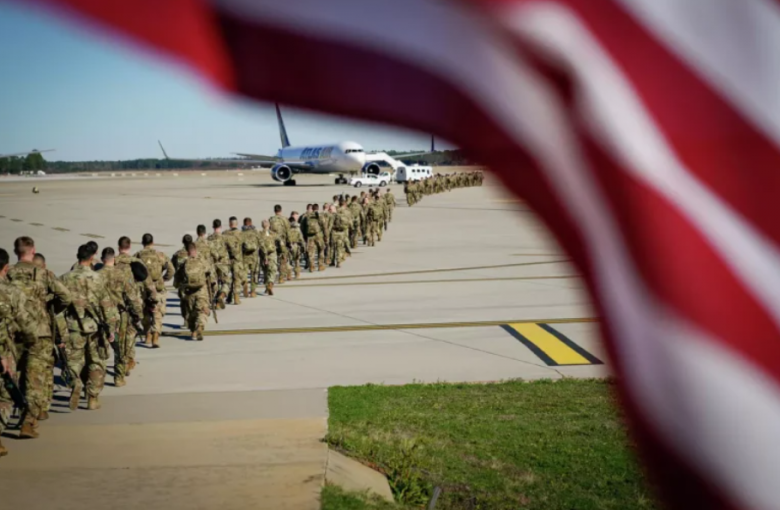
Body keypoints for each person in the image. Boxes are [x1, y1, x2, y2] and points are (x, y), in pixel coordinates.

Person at [6, 236, 71, 438]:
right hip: (39, 332)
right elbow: (66, 296)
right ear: (33, 251)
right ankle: (28, 422)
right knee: (35, 379)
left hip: (12, 332)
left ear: (16, 252)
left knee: (11, 375)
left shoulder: (7, 273)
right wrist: (49, 310)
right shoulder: (44, 273)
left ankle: (8, 415)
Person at [60, 244, 119, 411]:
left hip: (73, 327)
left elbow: (57, 307)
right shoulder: (97, 278)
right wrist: (111, 329)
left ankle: (75, 383)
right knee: (96, 362)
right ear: (92, 257)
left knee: (74, 361)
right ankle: (92, 398)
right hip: (95, 328)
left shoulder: (64, 278)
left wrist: (60, 331)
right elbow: (106, 306)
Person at [0, 248, 38, 456]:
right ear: (5, 268)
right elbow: (25, 323)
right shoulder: (12, 292)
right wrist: (32, 341)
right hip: (4, 351)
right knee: (6, 394)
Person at [98, 247, 144, 387]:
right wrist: (138, 315)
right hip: (119, 316)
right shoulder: (122, 275)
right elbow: (132, 297)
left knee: (100, 347)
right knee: (120, 348)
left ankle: (97, 377)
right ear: (114, 259)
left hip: (99, 316)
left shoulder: (96, 276)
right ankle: (118, 378)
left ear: (102, 259)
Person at [115, 237, 158, 353]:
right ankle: (128, 358)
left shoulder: (112, 262)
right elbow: (149, 284)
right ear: (129, 247)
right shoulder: (136, 262)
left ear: (118, 247)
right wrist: (153, 301)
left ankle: (120, 357)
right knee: (130, 333)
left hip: (113, 305)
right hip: (132, 304)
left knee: (116, 334)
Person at [134, 234, 174, 347]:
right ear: (152, 242)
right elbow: (171, 269)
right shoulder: (160, 255)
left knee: (144, 311)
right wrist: (164, 279)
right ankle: (155, 336)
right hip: (157, 287)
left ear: (142, 243)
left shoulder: (138, 256)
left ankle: (148, 334)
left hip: (143, 287)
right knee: (158, 311)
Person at [174, 241, 210, 341]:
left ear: (187, 251)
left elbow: (177, 279)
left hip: (188, 292)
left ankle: (193, 331)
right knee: (201, 311)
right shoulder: (202, 261)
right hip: (201, 290)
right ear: (195, 250)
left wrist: (178, 287)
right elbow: (209, 273)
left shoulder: (183, 263)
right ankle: (199, 327)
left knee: (191, 313)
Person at [207, 219, 232, 309]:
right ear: (220, 227)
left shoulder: (209, 238)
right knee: (226, 282)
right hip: (223, 263)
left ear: (213, 227)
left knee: (215, 283)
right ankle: (222, 295)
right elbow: (232, 248)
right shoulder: (225, 238)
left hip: (213, 264)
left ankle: (215, 301)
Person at [221, 217, 244, 305]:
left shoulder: (224, 233)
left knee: (228, 279)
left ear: (229, 224)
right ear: (236, 224)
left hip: (226, 259)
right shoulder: (240, 234)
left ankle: (227, 296)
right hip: (237, 259)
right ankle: (236, 297)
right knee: (237, 278)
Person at [269, 205, 292, 283]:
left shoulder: (271, 220)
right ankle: (281, 277)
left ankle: (272, 276)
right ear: (281, 210)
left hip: (273, 242)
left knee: (274, 259)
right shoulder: (285, 219)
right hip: (282, 242)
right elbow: (288, 231)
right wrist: (289, 242)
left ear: (274, 210)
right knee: (283, 259)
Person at [240, 218, 260, 297]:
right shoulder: (256, 232)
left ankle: (245, 284)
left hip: (245, 256)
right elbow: (261, 242)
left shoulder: (241, 233)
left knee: (244, 273)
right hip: (254, 256)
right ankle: (253, 291)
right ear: (251, 223)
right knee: (254, 273)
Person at [258, 220, 278, 295]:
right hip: (272, 254)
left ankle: (267, 287)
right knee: (272, 271)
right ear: (269, 225)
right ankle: (270, 283)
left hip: (263, 255)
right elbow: (279, 241)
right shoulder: (273, 234)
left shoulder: (259, 234)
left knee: (265, 271)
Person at [287, 214, 304, 279]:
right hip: (296, 246)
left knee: (288, 261)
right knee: (297, 261)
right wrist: (303, 247)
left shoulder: (287, 230)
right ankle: (297, 274)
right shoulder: (298, 229)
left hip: (289, 246)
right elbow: (301, 239)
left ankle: (289, 275)